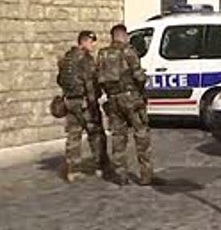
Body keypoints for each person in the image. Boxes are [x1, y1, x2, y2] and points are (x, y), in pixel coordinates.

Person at [97, 24, 155, 185]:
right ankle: (146, 175)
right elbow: (139, 76)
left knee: (118, 137)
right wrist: (142, 86)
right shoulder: (128, 51)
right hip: (131, 98)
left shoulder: (102, 54)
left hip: (113, 100)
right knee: (141, 134)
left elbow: (98, 77)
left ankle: (121, 175)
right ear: (124, 36)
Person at [56, 30, 109, 182]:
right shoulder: (85, 59)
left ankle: (73, 170)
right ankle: (101, 166)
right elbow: (90, 82)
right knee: (96, 134)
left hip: (70, 102)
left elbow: (60, 80)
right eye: (92, 42)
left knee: (73, 135)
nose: (94, 45)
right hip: (85, 102)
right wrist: (94, 102)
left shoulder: (67, 58)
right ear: (84, 41)